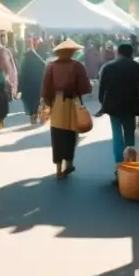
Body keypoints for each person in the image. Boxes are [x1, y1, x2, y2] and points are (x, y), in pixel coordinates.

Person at [41, 38, 93, 179]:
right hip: (71, 103)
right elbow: (85, 87)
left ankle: (58, 168)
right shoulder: (77, 66)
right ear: (71, 52)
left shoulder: (51, 66)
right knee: (70, 134)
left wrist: (48, 103)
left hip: (57, 103)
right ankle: (68, 164)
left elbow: (46, 89)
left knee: (57, 134)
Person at [98, 43, 139, 168]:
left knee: (117, 135)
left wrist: (103, 104)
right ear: (131, 54)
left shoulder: (108, 67)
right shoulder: (138, 68)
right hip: (131, 107)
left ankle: (119, 166)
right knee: (129, 135)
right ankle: (130, 163)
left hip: (113, 107)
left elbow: (102, 89)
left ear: (118, 52)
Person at [19, 47, 47, 124]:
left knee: (29, 102)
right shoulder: (40, 62)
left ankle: (32, 115)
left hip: (27, 88)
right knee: (36, 101)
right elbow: (45, 68)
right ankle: (35, 114)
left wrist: (19, 88)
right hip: (37, 86)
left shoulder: (25, 64)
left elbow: (22, 76)